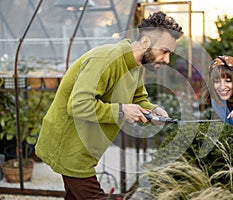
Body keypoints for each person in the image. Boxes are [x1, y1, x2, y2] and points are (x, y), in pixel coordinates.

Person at [35, 11, 183, 199]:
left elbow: (138, 99)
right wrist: (122, 111)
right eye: (164, 51)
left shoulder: (136, 66)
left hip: (85, 150)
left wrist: (154, 111)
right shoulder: (106, 58)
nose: (167, 60)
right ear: (146, 42)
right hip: (69, 146)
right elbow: (79, 105)